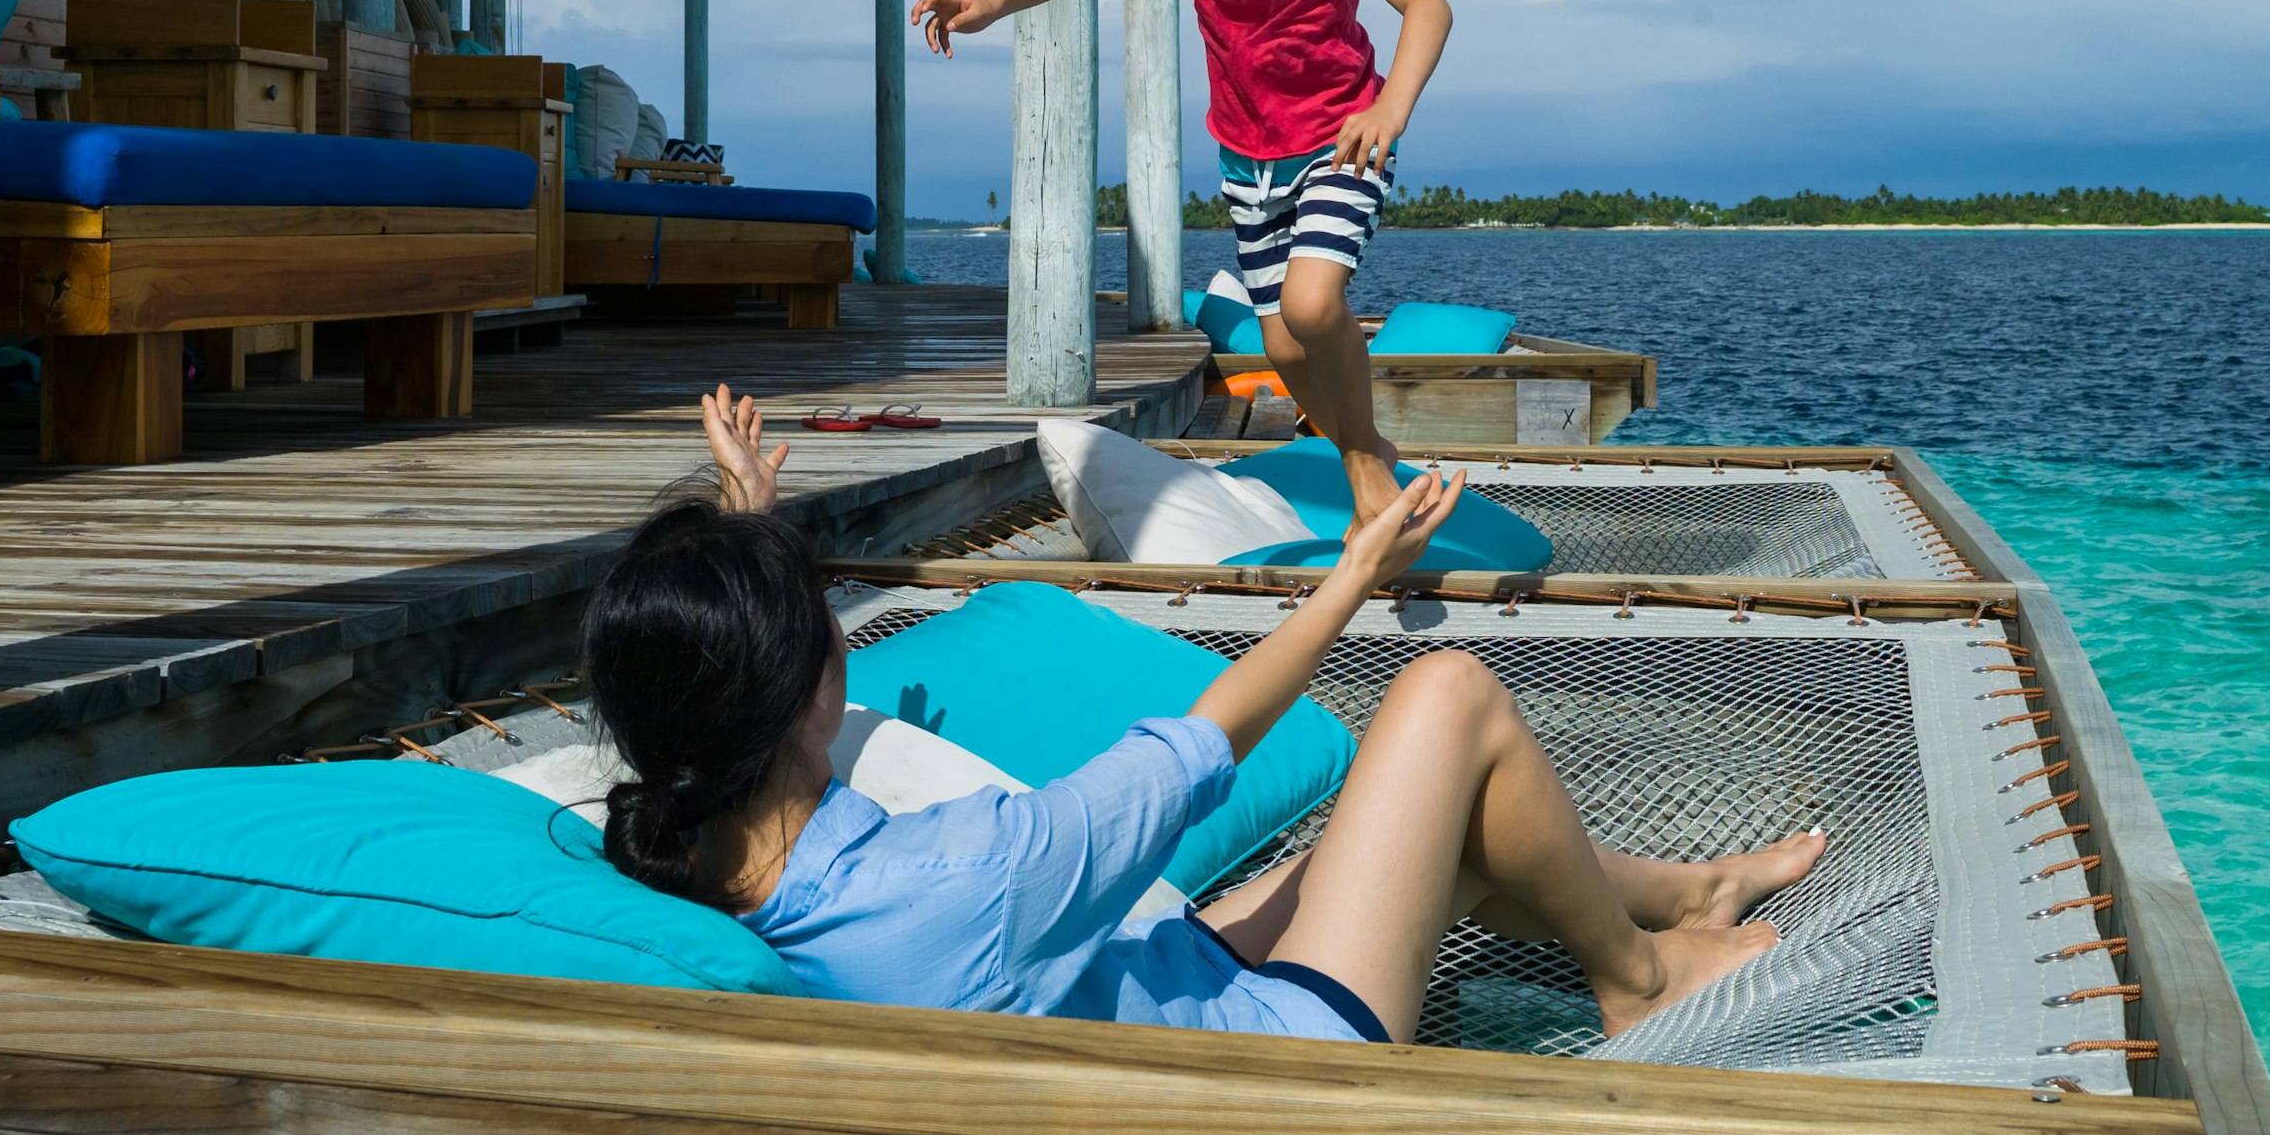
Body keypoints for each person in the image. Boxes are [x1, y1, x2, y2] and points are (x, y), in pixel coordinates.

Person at [575, 390, 1818, 1048]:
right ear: (809, 689)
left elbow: (754, 691)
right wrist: (1355, 571)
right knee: (1446, 700)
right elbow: (1207, 732)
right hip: (1275, 1056)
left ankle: (1682, 891)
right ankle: (1638, 975)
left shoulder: (686, 843)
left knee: (1434, 834)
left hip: (1139, 989)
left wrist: (749, 522)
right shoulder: (977, 870)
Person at [915, 0, 1448, 523]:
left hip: (1340, 138)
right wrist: (988, 5)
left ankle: (1361, 458)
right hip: (1248, 157)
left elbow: (1426, 5)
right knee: (1279, 342)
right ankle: (1367, 448)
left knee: (1312, 305)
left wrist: (1389, 112)